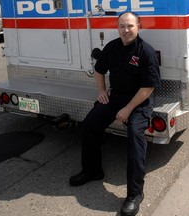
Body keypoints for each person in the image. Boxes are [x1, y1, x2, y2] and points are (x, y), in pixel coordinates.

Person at [69, 12, 161, 216]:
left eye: (130, 26)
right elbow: (99, 70)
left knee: (135, 139)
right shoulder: (112, 47)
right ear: (117, 27)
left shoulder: (146, 52)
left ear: (138, 26)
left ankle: (135, 195)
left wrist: (128, 109)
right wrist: (102, 92)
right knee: (91, 123)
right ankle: (92, 170)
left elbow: (148, 88)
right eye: (122, 26)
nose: (126, 30)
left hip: (139, 101)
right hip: (116, 97)